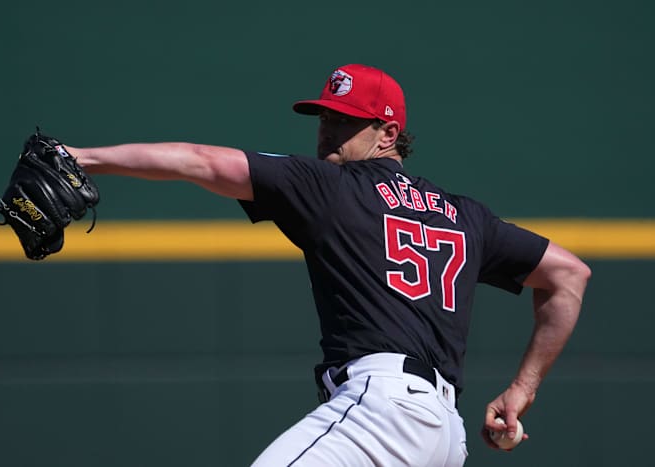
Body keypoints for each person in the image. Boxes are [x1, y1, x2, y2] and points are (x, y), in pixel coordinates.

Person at [67, 63, 591, 466]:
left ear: (387, 134)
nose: (328, 131)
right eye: (325, 117)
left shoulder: (331, 187)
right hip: (443, 438)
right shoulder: (466, 216)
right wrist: (521, 392)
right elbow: (569, 275)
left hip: (384, 410)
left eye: (346, 122)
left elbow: (199, 161)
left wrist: (80, 157)